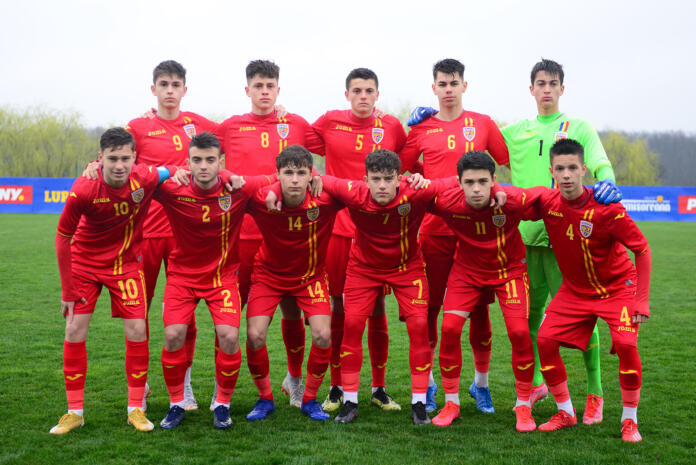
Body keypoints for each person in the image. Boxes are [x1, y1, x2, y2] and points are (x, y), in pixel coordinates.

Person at [498, 59, 621, 423]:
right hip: (525, 240)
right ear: (531, 89)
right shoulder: (515, 131)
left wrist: (607, 181)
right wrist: (429, 120)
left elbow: (600, 163)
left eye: (553, 83)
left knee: (584, 319)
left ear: (562, 89)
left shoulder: (578, 127)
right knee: (530, 317)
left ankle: (595, 393)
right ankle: (537, 383)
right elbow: (472, 142)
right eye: (541, 83)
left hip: (566, 244)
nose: (547, 89)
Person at [51, 128, 178, 434]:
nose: (119, 165)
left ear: (134, 158)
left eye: (124, 158)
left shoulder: (145, 177)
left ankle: (136, 408)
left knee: (137, 329)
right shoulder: (84, 188)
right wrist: (67, 290)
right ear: (100, 159)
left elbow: (171, 170)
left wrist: (181, 172)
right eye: (112, 159)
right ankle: (74, 412)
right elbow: (63, 237)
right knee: (74, 330)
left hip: (125, 265)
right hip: (84, 264)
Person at [399, 58, 509, 413]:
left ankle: (481, 385)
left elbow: (508, 161)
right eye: (442, 84)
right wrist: (417, 176)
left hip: (476, 233)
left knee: (479, 311)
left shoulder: (483, 123)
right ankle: (429, 384)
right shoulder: (422, 128)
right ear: (433, 88)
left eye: (454, 83)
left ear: (465, 85)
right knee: (430, 309)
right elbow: (400, 169)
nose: (448, 89)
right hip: (435, 232)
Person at [213, 60, 324, 408]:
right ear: (247, 89)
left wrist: (375, 115)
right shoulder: (231, 126)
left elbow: (340, 142)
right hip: (239, 236)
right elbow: (200, 154)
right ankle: (218, 390)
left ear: (278, 89)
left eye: (270, 86)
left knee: (292, 310)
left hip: (287, 235)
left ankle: (294, 380)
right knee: (230, 317)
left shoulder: (296, 124)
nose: (264, 91)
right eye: (258, 86)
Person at [321, 149, 456, 425]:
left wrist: (496, 190)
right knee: (352, 325)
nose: (382, 185)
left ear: (399, 179)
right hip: (363, 268)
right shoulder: (353, 192)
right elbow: (316, 177)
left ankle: (419, 404)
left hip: (407, 267)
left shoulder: (415, 190)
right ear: (365, 180)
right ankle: (350, 402)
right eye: (376, 179)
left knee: (419, 326)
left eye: (388, 178)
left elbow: (459, 179)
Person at [527, 139, 650, 443]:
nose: (566, 175)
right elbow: (516, 199)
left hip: (618, 289)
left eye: (572, 168)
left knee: (626, 345)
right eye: (560, 169)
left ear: (584, 169)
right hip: (576, 291)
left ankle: (629, 421)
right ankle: (566, 412)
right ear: (551, 171)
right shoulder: (548, 203)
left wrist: (641, 300)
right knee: (544, 340)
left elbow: (642, 249)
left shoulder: (608, 207)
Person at [153, 132, 268, 429]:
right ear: (188, 162)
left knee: (229, 336)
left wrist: (314, 174)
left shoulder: (238, 188)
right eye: (197, 160)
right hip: (182, 276)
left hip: (222, 277)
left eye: (210, 160)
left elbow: (277, 177)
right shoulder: (172, 189)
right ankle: (177, 403)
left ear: (221, 162)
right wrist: (95, 165)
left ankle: (222, 404)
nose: (203, 166)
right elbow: (133, 176)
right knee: (173, 335)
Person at [312, 68, 408, 412]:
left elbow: (408, 165)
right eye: (357, 90)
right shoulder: (329, 122)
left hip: (378, 230)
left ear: (377, 94)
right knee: (339, 308)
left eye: (369, 90)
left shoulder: (392, 126)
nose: (363, 96)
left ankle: (378, 387)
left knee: (378, 308)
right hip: (339, 229)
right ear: (347, 94)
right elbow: (293, 147)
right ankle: (337, 385)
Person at [125, 60, 219, 411]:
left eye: (175, 84)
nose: (169, 90)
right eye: (163, 84)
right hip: (147, 231)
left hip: (185, 233)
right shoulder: (138, 126)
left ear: (184, 89)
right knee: (139, 311)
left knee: (185, 312)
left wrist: (279, 112)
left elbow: (242, 134)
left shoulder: (198, 124)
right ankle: (141, 384)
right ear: (153, 89)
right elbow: (118, 161)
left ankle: (186, 384)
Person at [428, 151, 537, 432]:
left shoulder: (511, 200)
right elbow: (409, 191)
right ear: (459, 183)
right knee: (449, 328)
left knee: (519, 332)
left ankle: (523, 406)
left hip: (509, 271)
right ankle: (451, 403)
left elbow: (548, 196)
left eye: (483, 182)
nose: (476, 189)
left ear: (493, 180)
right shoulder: (447, 201)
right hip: (467, 272)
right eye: (469, 182)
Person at [244, 145, 340, 422]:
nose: (295, 179)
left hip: (310, 277)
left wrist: (322, 177)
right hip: (268, 276)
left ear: (311, 174)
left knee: (323, 335)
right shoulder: (261, 198)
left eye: (301, 173)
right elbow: (230, 183)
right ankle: (265, 398)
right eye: (288, 173)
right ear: (277, 175)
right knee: (254, 335)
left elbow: (359, 187)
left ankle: (309, 399)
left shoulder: (325, 198)